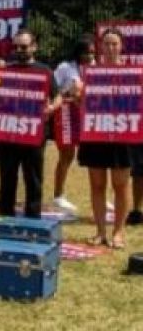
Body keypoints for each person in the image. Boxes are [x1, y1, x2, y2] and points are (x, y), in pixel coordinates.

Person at [0, 29, 61, 219]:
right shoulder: (4, 72)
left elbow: (58, 96)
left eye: (24, 46)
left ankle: (33, 218)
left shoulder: (45, 71)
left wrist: (51, 108)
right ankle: (5, 215)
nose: (19, 50)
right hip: (6, 134)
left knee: (33, 177)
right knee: (7, 177)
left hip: (34, 133)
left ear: (34, 47)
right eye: (16, 46)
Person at [76, 28, 134, 248]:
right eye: (106, 44)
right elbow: (83, 104)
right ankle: (100, 232)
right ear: (100, 47)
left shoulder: (133, 74)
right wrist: (79, 94)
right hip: (96, 133)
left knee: (121, 185)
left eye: (114, 44)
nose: (110, 48)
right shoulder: (90, 73)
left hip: (122, 134)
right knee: (97, 184)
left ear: (121, 47)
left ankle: (119, 232)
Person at [51, 35, 94, 214]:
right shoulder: (65, 67)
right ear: (78, 52)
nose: (90, 56)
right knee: (67, 155)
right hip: (67, 112)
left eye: (93, 52)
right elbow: (52, 88)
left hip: (88, 114)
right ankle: (58, 195)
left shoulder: (96, 66)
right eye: (87, 52)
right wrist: (69, 92)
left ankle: (98, 195)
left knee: (95, 157)